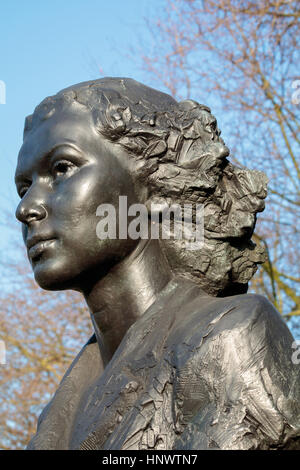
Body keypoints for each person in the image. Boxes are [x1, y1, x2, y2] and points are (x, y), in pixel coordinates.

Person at [15, 78, 300, 450]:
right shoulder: (63, 408)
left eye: (63, 168)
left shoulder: (230, 339)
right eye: (24, 187)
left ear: (152, 186)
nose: (26, 208)